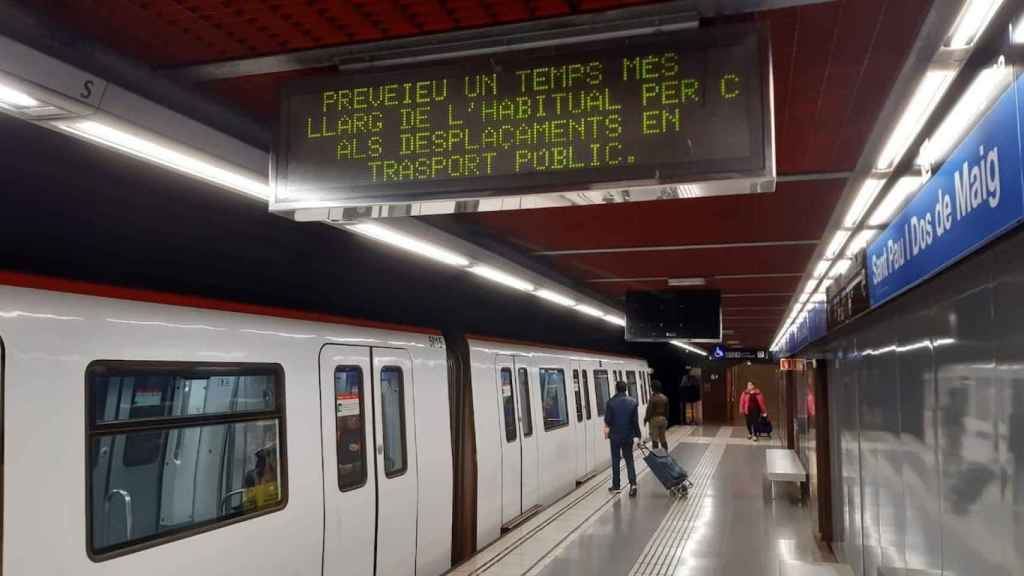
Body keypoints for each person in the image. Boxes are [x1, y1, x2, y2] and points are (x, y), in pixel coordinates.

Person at [605, 380, 641, 497]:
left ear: (616, 389)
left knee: (616, 460)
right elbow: (635, 422)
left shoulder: (610, 403)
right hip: (628, 436)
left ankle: (616, 486)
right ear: (626, 389)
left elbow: (608, 420)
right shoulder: (633, 402)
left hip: (615, 436)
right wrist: (638, 435)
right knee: (629, 459)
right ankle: (633, 484)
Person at [644, 379, 670, 451]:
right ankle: (666, 455)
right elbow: (667, 411)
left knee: (654, 439)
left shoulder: (652, 398)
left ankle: (657, 456)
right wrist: (666, 419)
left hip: (654, 420)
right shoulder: (665, 398)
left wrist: (646, 419)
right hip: (663, 419)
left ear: (653, 388)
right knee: (663, 438)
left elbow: (649, 411)